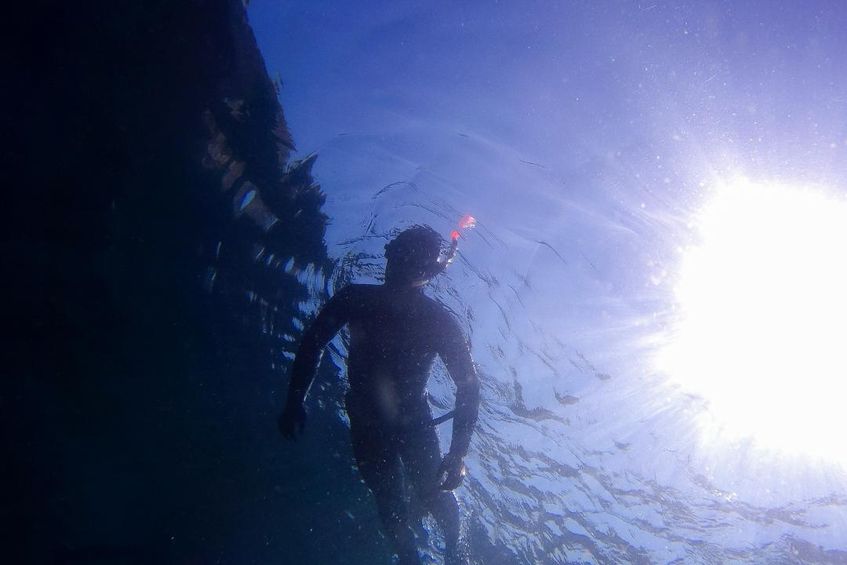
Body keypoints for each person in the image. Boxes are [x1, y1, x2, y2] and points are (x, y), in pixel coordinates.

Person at [279, 225, 480, 565]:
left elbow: (469, 388)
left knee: (412, 497)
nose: (402, 264)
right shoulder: (369, 303)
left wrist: (296, 400)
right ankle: (420, 556)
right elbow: (468, 389)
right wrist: (295, 400)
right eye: (401, 254)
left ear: (426, 270)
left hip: (392, 419)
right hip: (383, 420)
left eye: (410, 258)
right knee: (399, 498)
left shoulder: (363, 301)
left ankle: (447, 555)